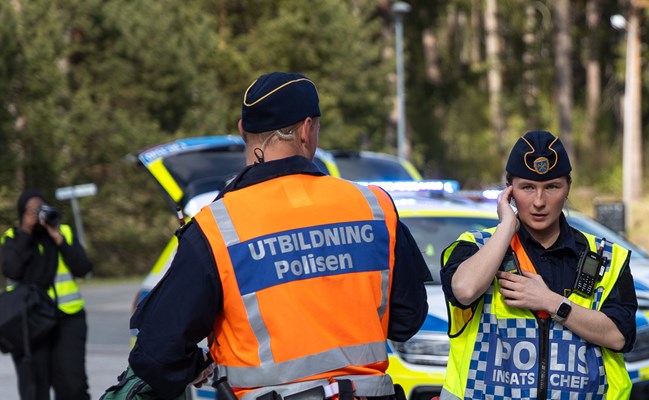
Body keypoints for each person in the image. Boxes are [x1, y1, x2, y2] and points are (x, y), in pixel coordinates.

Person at [125, 72, 429, 399]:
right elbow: (407, 319)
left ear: (244, 131)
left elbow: (156, 352)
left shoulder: (217, 227)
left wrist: (202, 364)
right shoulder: (374, 206)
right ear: (307, 129)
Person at [438, 130, 638, 400]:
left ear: (568, 187)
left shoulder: (606, 257)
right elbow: (464, 290)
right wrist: (507, 226)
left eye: (552, 187)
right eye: (527, 187)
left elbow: (618, 337)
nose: (539, 202)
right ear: (509, 189)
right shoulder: (476, 246)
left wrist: (552, 303)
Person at [2, 191, 92, 400]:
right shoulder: (13, 238)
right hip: (29, 322)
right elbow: (12, 271)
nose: (37, 214)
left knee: (72, 385)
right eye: (31, 210)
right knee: (34, 387)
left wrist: (57, 236)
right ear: (22, 214)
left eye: (40, 209)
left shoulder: (64, 232)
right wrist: (26, 231)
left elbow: (83, 267)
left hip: (67, 318)